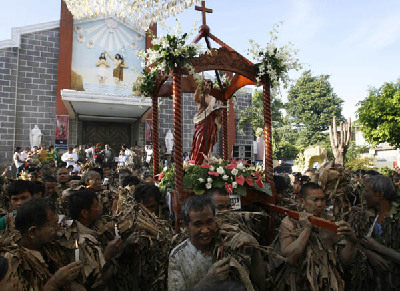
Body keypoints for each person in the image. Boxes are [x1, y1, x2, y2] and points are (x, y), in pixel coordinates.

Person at [168, 195, 264, 290]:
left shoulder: (231, 243)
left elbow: (260, 283)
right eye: (198, 225)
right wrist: (207, 282)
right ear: (186, 226)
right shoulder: (178, 256)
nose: (205, 230)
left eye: (209, 222)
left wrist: (254, 247)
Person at [279, 182, 357, 290]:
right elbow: (290, 258)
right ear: (302, 201)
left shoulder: (331, 222)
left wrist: (352, 242)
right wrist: (307, 229)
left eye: (322, 199)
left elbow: (344, 261)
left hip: (327, 283)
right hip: (298, 282)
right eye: (315, 200)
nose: (320, 204)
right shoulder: (289, 222)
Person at [10, 198, 82, 290]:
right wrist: (54, 283)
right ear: (33, 232)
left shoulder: (49, 246)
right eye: (54, 224)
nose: (58, 227)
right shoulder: (12, 264)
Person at [190, 80, 225, 165]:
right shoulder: (200, 97)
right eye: (206, 85)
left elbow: (216, 111)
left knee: (209, 141)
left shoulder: (213, 99)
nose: (208, 87)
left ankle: (205, 161)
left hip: (210, 123)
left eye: (209, 85)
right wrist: (199, 85)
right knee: (199, 140)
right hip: (201, 122)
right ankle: (197, 161)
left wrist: (219, 113)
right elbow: (195, 98)